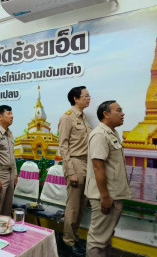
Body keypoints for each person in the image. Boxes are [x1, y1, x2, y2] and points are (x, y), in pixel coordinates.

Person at [85, 101, 131, 256]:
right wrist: (104, 196)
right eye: (119, 110)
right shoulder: (100, 135)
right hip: (105, 196)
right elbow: (98, 166)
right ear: (106, 114)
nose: (122, 113)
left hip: (112, 194)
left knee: (105, 237)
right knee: (98, 239)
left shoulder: (111, 133)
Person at [58, 86, 91, 256]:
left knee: (82, 204)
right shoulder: (67, 118)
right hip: (75, 163)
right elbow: (63, 147)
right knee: (73, 206)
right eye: (85, 96)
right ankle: (67, 242)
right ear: (76, 99)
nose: (89, 98)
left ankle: (75, 237)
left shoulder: (84, 118)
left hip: (87, 164)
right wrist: (70, 171)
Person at [0, 105, 17, 216]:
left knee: (8, 205)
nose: (12, 116)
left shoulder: (9, 133)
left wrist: (15, 174)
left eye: (12, 114)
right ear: (0, 116)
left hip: (10, 173)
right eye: (9, 114)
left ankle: (4, 229)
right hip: (0, 174)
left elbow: (12, 155)